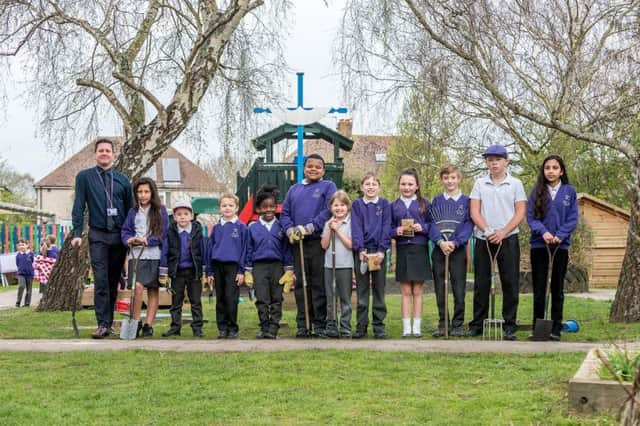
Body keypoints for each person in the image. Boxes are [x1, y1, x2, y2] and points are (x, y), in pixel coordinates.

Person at [71, 138, 132, 339]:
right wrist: (77, 233)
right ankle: (102, 324)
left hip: (118, 236)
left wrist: (131, 235)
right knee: (101, 280)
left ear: (113, 155)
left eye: (108, 150)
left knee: (114, 280)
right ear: (95, 154)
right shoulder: (85, 177)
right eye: (100, 150)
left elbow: (130, 210)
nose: (104, 153)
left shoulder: (123, 180)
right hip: (98, 235)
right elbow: (79, 206)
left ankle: (110, 321)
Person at [468, 145, 527, 341]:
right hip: (484, 237)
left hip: (508, 237)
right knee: (481, 282)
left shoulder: (515, 184)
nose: (493, 163)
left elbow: (520, 212)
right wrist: (487, 230)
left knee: (510, 281)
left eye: (497, 159)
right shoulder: (479, 183)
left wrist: (503, 232)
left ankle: (510, 325)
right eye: (490, 160)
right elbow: (474, 211)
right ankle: (477, 323)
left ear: (506, 161)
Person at [280, 154, 336, 338]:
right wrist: (290, 230)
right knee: (301, 284)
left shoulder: (328, 186)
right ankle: (303, 323)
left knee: (318, 284)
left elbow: (329, 210)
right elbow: (285, 214)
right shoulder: (294, 189)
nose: (313, 169)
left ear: (323, 170)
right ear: (304, 168)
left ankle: (319, 323)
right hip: (298, 243)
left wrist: (311, 227)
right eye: (310, 166)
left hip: (318, 242)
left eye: (318, 167)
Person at [526, 155, 578, 341]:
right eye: (547, 167)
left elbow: (573, 218)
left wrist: (559, 235)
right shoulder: (537, 191)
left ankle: (556, 327)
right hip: (540, 245)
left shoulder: (569, 191)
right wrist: (544, 233)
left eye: (555, 168)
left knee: (557, 288)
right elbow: (531, 218)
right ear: (543, 170)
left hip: (560, 246)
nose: (551, 171)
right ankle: (537, 327)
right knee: (540, 288)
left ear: (561, 171)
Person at [428, 165, 473, 337]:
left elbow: (469, 224)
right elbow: (431, 224)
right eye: (446, 178)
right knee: (440, 287)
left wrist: (456, 242)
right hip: (440, 250)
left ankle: (457, 324)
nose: (450, 181)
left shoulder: (466, 201)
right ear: (442, 180)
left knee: (458, 287)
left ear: (459, 179)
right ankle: (443, 323)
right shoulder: (437, 201)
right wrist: (440, 242)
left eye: (453, 178)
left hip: (457, 250)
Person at [121, 177, 169, 338]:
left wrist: (147, 240)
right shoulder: (133, 211)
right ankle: (135, 321)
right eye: (139, 192)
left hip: (154, 254)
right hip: (136, 255)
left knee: (153, 289)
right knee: (137, 287)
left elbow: (162, 233)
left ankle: (148, 324)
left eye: (146, 191)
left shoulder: (160, 210)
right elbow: (126, 230)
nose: (143, 195)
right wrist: (130, 239)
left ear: (152, 192)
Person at [244, 185, 294, 339]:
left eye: (272, 206)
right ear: (258, 209)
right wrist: (248, 270)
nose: (269, 210)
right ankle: (264, 327)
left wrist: (289, 269)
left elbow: (286, 249)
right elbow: (248, 249)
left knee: (277, 298)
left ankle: (273, 328)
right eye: (265, 207)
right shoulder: (252, 228)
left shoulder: (281, 227)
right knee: (262, 299)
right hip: (259, 267)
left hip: (277, 267)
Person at [390, 168, 433, 338]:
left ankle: (417, 327)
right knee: (406, 290)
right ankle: (406, 327)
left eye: (410, 184)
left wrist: (422, 227)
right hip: (402, 249)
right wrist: (396, 231)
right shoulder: (393, 206)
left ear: (417, 186)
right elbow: (387, 229)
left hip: (419, 249)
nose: (406, 187)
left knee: (418, 290)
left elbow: (433, 225)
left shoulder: (425, 204)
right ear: (399, 185)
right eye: (403, 184)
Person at [350, 172, 391, 339]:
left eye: (374, 184)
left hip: (379, 252)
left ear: (379, 187)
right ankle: (361, 326)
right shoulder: (357, 205)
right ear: (362, 187)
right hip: (362, 252)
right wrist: (360, 249)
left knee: (379, 290)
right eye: (367, 184)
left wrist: (382, 250)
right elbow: (356, 227)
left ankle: (379, 325)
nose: (371, 187)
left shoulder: (384, 204)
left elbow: (387, 227)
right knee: (362, 290)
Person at [160, 200, 205, 338]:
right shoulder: (171, 232)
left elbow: (203, 250)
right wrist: (163, 271)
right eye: (179, 214)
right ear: (174, 217)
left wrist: (204, 269)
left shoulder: (197, 231)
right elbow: (165, 251)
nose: (183, 217)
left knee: (195, 301)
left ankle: (197, 328)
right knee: (176, 302)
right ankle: (175, 327)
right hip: (177, 271)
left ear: (191, 216)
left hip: (194, 271)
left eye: (186, 214)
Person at [206, 194, 246, 339]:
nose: (227, 208)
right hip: (218, 266)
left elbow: (244, 250)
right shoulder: (216, 228)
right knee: (220, 298)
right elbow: (210, 249)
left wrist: (241, 270)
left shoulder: (241, 227)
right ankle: (222, 328)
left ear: (236, 208)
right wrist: (209, 271)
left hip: (233, 267)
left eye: (230, 205)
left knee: (231, 298)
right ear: (220, 208)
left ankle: (232, 327)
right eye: (224, 205)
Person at [321, 190, 354, 338]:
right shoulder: (328, 223)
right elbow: (324, 245)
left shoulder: (351, 223)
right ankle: (331, 326)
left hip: (345, 265)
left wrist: (338, 231)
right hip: (329, 265)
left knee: (345, 298)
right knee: (331, 297)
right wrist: (329, 229)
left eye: (342, 205)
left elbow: (351, 245)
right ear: (331, 207)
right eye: (336, 205)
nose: (339, 208)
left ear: (347, 206)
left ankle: (345, 327)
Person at [15, 239, 34, 308]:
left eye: (23, 245)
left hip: (29, 274)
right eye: (19, 245)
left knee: (29, 290)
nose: (21, 246)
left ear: (27, 245)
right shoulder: (18, 255)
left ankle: (27, 303)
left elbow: (33, 263)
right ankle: (18, 302)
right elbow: (18, 264)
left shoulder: (31, 254)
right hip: (21, 274)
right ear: (17, 247)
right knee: (21, 286)